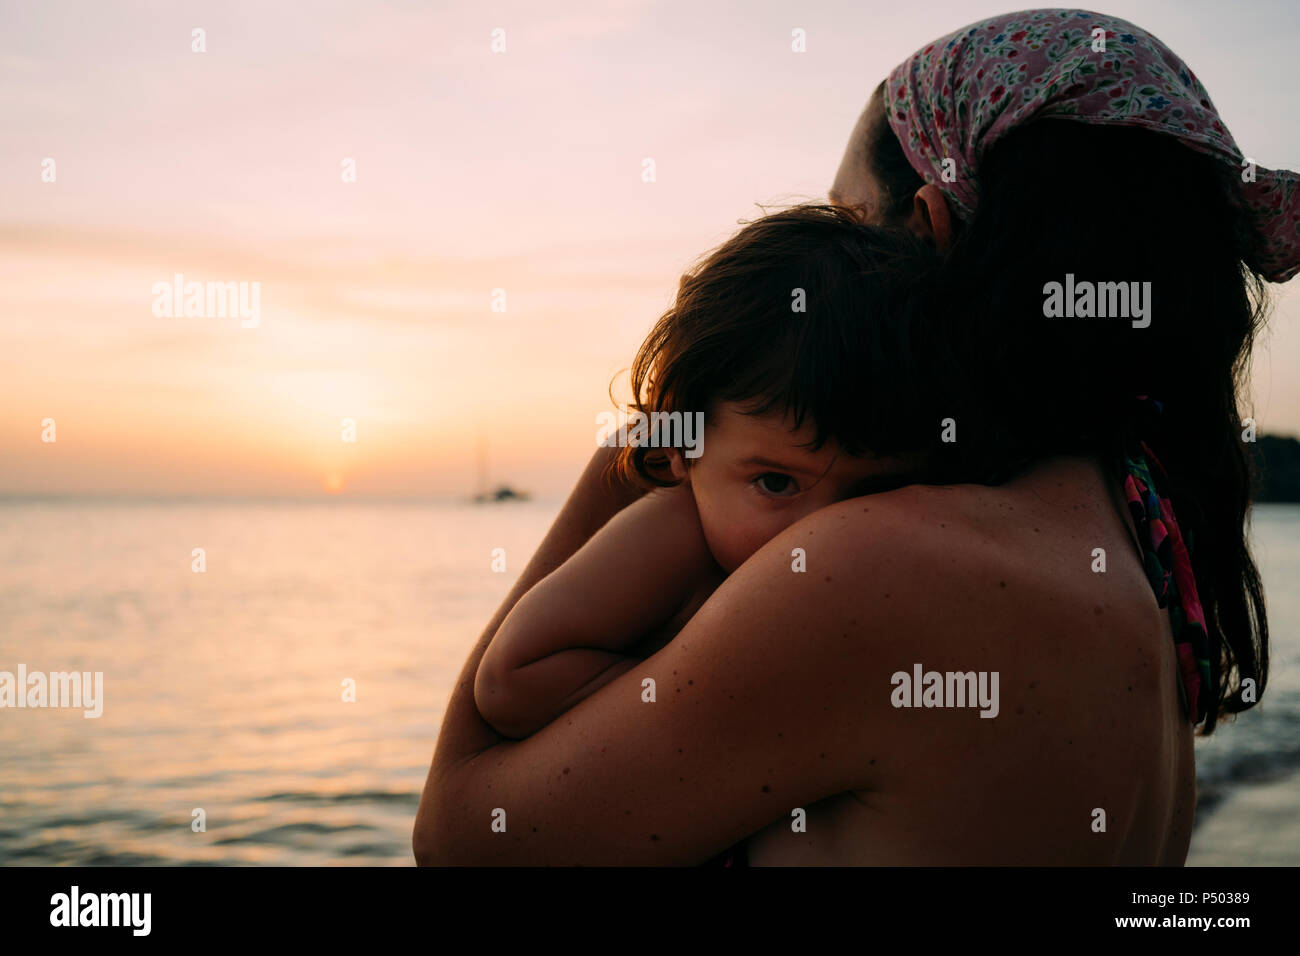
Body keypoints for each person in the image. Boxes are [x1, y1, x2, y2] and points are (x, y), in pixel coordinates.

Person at [414, 9, 1299, 865]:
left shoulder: (878, 572)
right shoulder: (1148, 546)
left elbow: (461, 837)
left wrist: (674, 418)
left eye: (847, 221)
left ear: (928, 227)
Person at [473, 206, 935, 742]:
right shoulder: (674, 534)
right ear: (682, 449)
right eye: (776, 483)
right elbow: (510, 680)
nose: (820, 533)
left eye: (875, 491)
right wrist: (720, 690)